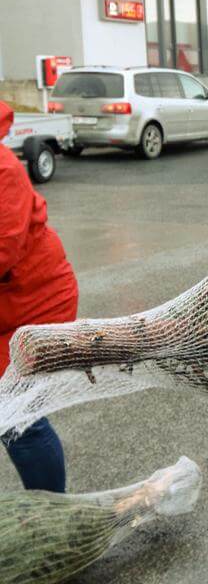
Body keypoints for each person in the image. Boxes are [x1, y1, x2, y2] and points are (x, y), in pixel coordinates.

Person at [0, 101, 76, 493]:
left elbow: (3, 249)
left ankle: (51, 514)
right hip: (6, 309)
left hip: (36, 304)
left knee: (17, 417)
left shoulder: (4, 170)